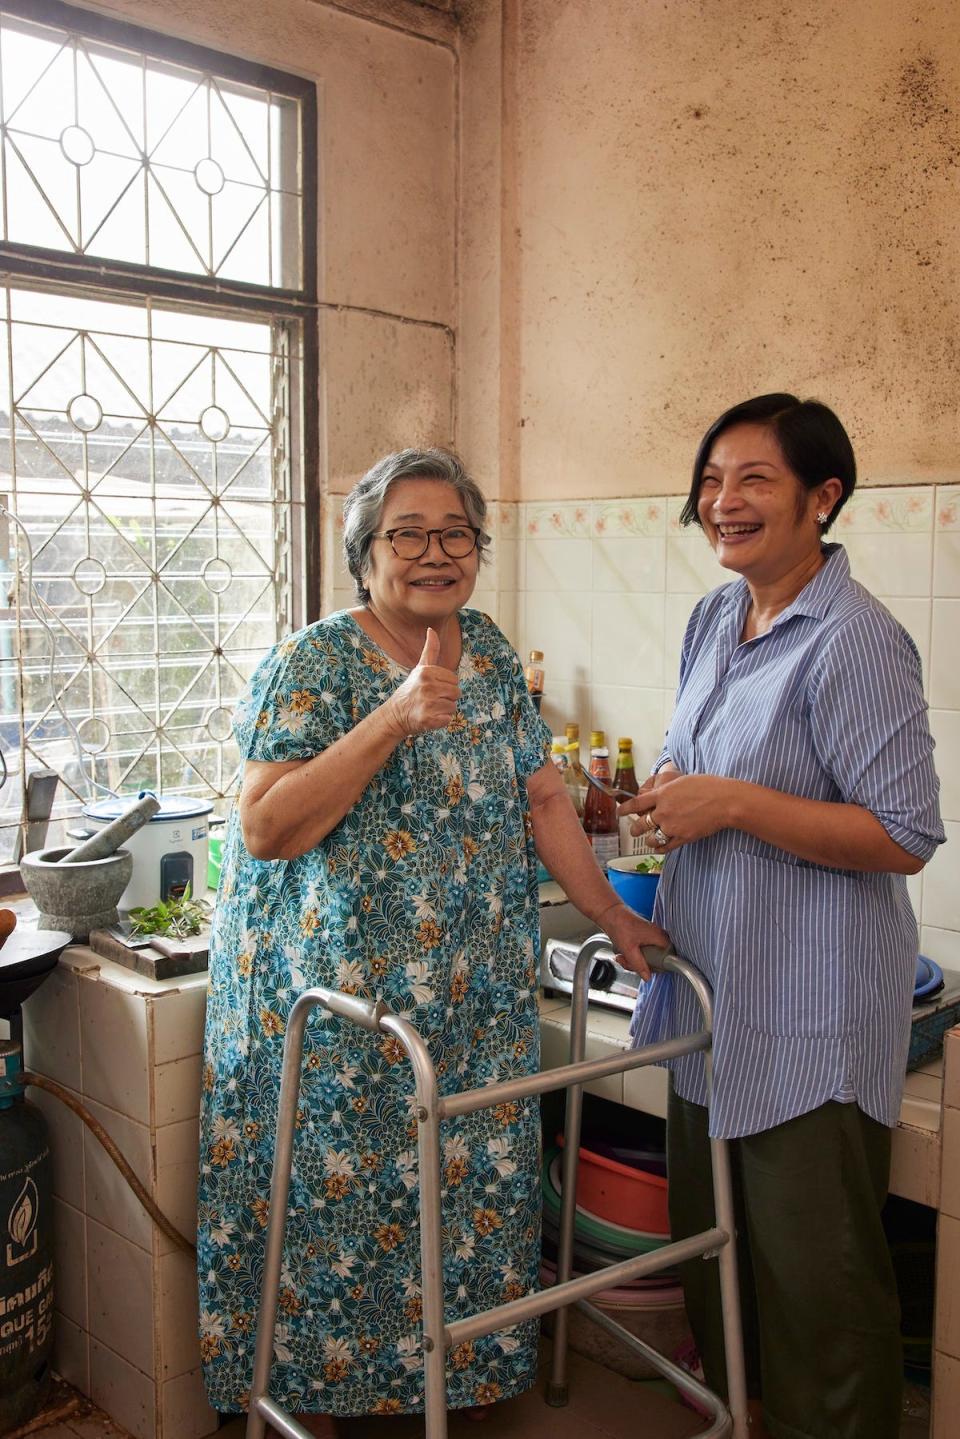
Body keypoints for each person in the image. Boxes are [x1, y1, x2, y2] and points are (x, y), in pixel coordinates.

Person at [197, 447, 665, 1429]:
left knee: (471, 1211)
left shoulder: (487, 648)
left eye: (456, 532)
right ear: (364, 552)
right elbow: (265, 826)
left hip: (478, 1004)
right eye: (407, 533)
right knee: (344, 1222)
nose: (435, 551)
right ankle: (318, 1401)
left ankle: (453, 1389)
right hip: (356, 1018)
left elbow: (544, 797)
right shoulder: (314, 662)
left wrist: (615, 913)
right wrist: (395, 717)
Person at [621, 394, 944, 1439]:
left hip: (809, 1016)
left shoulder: (857, 640)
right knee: (720, 1271)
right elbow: (708, 763)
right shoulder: (716, 617)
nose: (724, 500)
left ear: (824, 496)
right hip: (712, 1001)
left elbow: (904, 833)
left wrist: (735, 803)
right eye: (713, 480)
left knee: (822, 1304)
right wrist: (672, 792)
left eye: (754, 478)